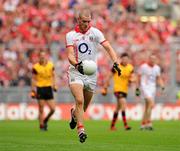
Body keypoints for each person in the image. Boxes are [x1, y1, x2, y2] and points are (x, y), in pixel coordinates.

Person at [66, 8, 121, 143]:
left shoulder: (95, 32)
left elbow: (108, 47)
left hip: (91, 74)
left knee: (83, 108)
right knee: (79, 100)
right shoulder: (71, 35)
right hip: (76, 71)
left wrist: (115, 62)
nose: (87, 24)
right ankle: (81, 131)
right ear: (78, 20)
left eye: (89, 21)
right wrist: (77, 65)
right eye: (84, 21)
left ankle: (74, 114)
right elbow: (70, 55)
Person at [101, 53, 135, 131]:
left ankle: (112, 126)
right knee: (123, 103)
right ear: (121, 59)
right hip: (117, 89)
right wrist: (105, 86)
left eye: (127, 59)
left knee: (118, 108)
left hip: (125, 90)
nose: (125, 60)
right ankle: (126, 125)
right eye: (124, 59)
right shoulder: (116, 67)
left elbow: (133, 78)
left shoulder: (130, 68)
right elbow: (109, 76)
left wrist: (131, 81)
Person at [136, 54, 165, 130]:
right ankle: (149, 122)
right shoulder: (143, 67)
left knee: (147, 107)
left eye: (154, 59)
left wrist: (162, 86)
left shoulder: (157, 68)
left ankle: (143, 124)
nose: (152, 60)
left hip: (152, 88)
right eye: (151, 59)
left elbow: (158, 78)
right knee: (151, 104)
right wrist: (137, 88)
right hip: (144, 87)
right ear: (148, 59)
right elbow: (138, 77)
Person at [31, 51, 57, 131]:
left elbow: (53, 76)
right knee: (41, 109)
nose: (42, 57)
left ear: (46, 56)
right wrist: (33, 91)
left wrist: (54, 85)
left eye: (44, 55)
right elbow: (34, 79)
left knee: (53, 109)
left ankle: (45, 120)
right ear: (39, 57)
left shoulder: (51, 65)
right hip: (40, 88)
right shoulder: (36, 67)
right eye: (41, 56)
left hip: (48, 88)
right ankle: (41, 125)